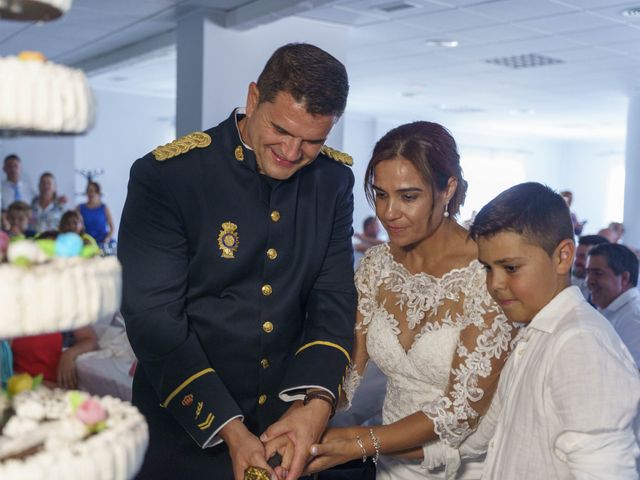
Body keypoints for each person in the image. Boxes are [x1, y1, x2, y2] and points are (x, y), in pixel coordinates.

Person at [118, 43, 356, 480]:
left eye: (313, 141)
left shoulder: (333, 180)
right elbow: (154, 320)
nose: (291, 151)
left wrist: (315, 407)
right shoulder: (168, 176)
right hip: (186, 431)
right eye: (281, 129)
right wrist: (230, 429)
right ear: (252, 99)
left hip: (286, 432)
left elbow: (333, 301)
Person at [301, 122, 517, 480]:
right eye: (381, 194)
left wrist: (357, 441)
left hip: (468, 465)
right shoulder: (377, 266)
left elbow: (460, 411)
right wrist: (303, 414)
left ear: (447, 189)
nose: (389, 212)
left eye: (409, 196)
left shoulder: (486, 272)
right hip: (392, 465)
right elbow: (349, 373)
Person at [458, 182, 640, 479]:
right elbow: (488, 434)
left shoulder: (580, 345)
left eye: (511, 268)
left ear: (563, 256)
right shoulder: (536, 331)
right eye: (488, 268)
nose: (495, 284)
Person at [587, 243, 640, 367]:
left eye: (598, 273)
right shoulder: (611, 309)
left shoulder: (634, 319)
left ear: (624, 278)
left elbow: (633, 378)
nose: (588, 281)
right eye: (588, 272)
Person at [11, 325, 98, 389]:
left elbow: (91, 340)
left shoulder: (65, 307)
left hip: (56, 390)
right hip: (17, 386)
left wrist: (69, 354)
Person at [571, 234, 609, 300]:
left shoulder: (607, 291)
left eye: (583, 257)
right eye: (576, 256)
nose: (576, 261)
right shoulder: (573, 283)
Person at [1, 154, 36, 225]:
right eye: (9, 166)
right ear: (4, 169)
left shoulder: (30, 189)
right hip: (5, 227)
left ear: (21, 168)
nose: (13, 169)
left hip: (27, 228)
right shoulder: (1, 188)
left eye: (15, 166)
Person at [78, 181, 114, 248]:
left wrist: (107, 239)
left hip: (103, 242)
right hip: (86, 243)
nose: (91, 193)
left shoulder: (104, 208)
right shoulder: (80, 208)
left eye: (94, 191)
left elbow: (112, 228)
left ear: (98, 193)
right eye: (89, 191)